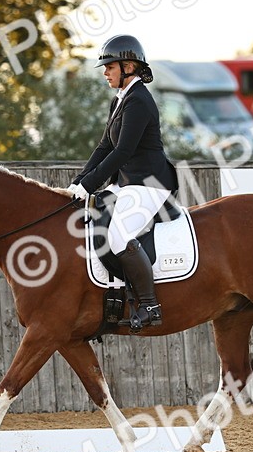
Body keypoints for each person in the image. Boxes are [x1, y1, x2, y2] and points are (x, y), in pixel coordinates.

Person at [67, 34, 179, 328]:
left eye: (110, 67)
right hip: (128, 182)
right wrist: (79, 182)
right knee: (93, 222)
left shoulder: (139, 100)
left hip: (149, 182)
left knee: (118, 235)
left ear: (128, 66)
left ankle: (150, 305)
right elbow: (104, 146)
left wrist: (91, 184)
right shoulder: (120, 100)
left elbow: (124, 150)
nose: (105, 73)